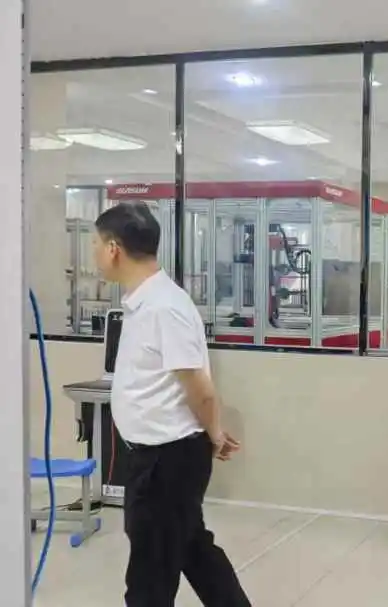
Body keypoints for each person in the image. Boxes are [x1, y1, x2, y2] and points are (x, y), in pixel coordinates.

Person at [93, 202, 251, 607]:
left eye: (95, 244)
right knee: (193, 550)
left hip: (167, 460)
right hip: (157, 457)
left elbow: (200, 388)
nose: (94, 253)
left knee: (149, 577)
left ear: (113, 248)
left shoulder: (164, 308)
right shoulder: (144, 303)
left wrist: (214, 434)